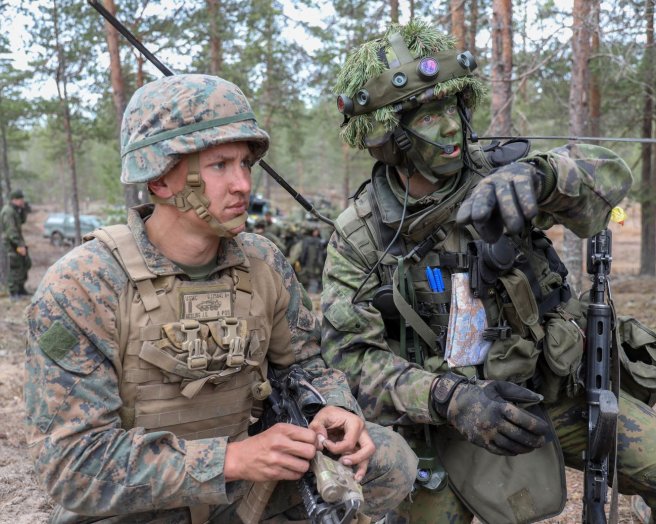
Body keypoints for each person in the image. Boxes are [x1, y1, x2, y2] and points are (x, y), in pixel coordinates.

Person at [320, 19, 656, 523]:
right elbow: (350, 358)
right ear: (389, 137)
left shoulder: (502, 176)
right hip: (446, 421)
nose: (451, 127)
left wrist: (543, 176)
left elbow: (612, 176)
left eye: (452, 108)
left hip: (558, 393)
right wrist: (450, 398)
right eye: (427, 115)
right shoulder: (362, 235)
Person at [24, 74, 417, 524]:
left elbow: (306, 365)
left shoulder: (263, 261)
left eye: (245, 164)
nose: (243, 184)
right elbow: (72, 465)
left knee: (388, 460)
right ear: (159, 178)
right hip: (139, 505)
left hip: (245, 492)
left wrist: (329, 408)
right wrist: (230, 460)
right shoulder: (83, 285)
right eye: (219, 166)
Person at [1, 188, 32, 299]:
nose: (22, 201)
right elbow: (11, 231)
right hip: (10, 243)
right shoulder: (8, 211)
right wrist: (19, 245)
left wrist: (24, 210)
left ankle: (21, 289)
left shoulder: (15, 210)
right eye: (20, 199)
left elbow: (21, 221)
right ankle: (13, 292)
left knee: (25, 263)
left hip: (17, 240)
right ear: (14, 200)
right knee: (14, 266)